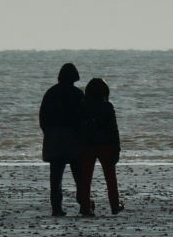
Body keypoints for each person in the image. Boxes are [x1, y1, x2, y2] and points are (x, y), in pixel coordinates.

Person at [38, 63, 84, 216]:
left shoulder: (51, 93)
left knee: (55, 177)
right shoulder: (77, 94)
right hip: (73, 138)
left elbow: (42, 118)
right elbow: (84, 118)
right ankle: (83, 204)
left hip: (54, 139)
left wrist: (49, 133)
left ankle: (56, 208)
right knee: (79, 175)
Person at [76, 77, 123, 216]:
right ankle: (114, 205)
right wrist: (117, 148)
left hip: (88, 145)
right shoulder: (107, 107)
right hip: (106, 145)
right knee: (110, 178)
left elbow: (79, 128)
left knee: (85, 178)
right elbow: (113, 129)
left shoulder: (83, 106)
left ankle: (85, 207)